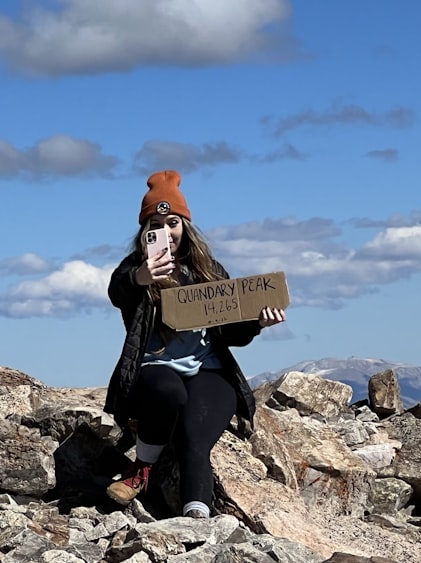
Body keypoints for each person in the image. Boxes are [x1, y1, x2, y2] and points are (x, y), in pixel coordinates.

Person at [103, 170, 286, 518]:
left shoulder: (209, 271)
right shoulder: (135, 269)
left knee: (194, 438)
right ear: (144, 232)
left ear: (185, 225)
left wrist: (257, 322)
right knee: (169, 392)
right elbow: (118, 291)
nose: (165, 232)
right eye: (154, 225)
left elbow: (230, 332)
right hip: (154, 371)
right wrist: (141, 277)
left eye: (172, 222)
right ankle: (142, 467)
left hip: (209, 370)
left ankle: (197, 517)